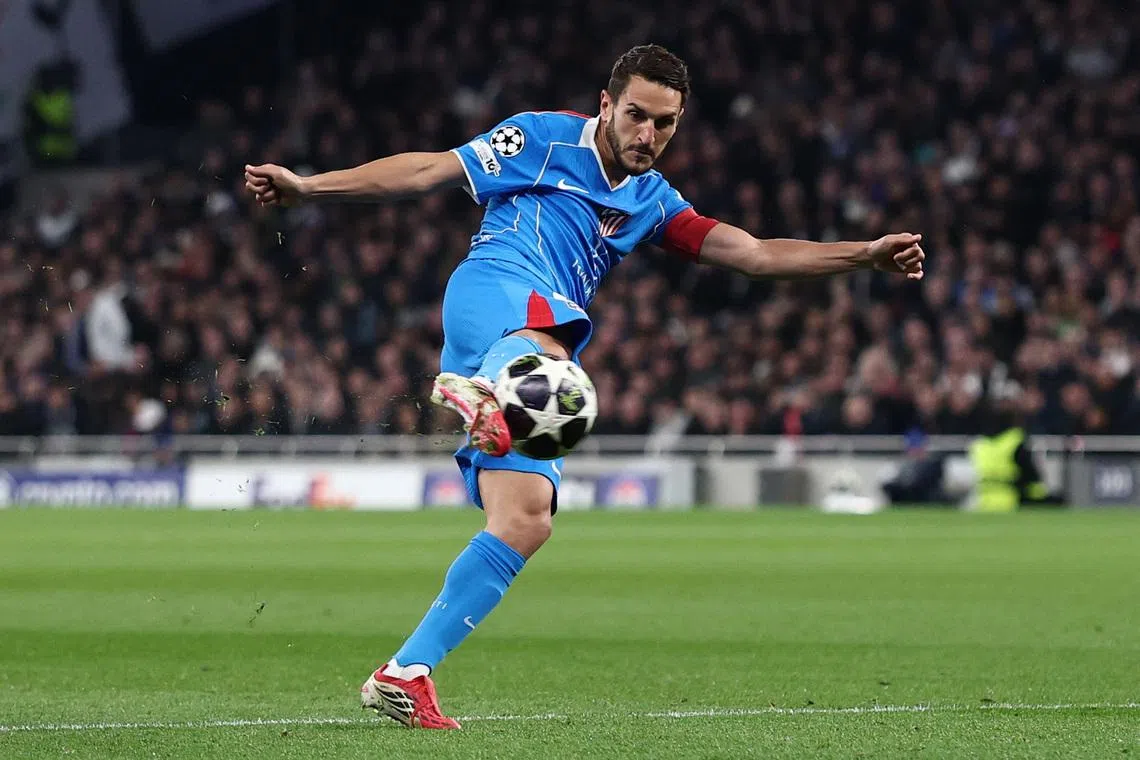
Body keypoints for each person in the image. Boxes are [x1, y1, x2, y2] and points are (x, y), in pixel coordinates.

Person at [245, 44, 925, 729]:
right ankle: (487, 388)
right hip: (496, 293)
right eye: (636, 115)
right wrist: (310, 187)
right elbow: (429, 170)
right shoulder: (540, 138)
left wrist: (862, 255)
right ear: (606, 104)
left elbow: (751, 254)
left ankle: (406, 671)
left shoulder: (652, 201)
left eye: (665, 123)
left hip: (537, 344)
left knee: (526, 519)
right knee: (553, 355)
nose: (648, 135)